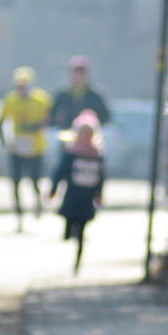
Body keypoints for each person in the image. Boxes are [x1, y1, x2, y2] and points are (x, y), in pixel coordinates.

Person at [48, 109, 105, 275]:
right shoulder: (72, 153)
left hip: (86, 199)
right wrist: (53, 189)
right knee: (69, 226)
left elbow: (101, 177)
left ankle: (77, 263)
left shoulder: (97, 155)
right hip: (72, 195)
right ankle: (68, 233)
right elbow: (60, 172)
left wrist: (99, 194)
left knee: (81, 231)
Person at [0, 66, 52, 231]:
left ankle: (38, 203)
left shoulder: (41, 99)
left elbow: (48, 119)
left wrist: (36, 126)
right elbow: (1, 122)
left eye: (24, 85)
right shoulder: (10, 100)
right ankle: (19, 216)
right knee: (15, 183)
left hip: (35, 149)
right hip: (17, 149)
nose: (21, 89)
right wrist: (3, 140)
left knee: (35, 181)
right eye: (18, 86)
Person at [49, 55, 110, 130]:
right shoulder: (62, 95)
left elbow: (105, 117)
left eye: (82, 72)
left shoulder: (95, 95)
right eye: (76, 72)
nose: (79, 75)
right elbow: (51, 117)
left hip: (88, 135)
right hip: (65, 133)